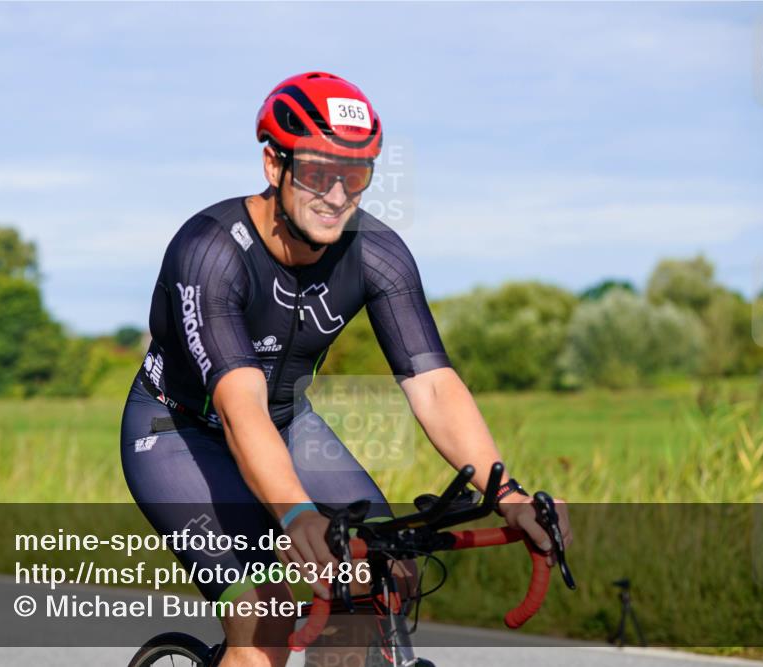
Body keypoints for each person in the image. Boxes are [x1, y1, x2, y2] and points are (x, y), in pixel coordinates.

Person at [121, 71, 572, 667]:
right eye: (317, 172)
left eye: (355, 175)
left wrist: (505, 491)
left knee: (384, 576)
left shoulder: (377, 251)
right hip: (178, 435)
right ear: (273, 165)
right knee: (269, 620)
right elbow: (239, 406)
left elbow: (433, 385)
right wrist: (294, 512)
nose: (337, 195)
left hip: (285, 422)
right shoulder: (210, 250)